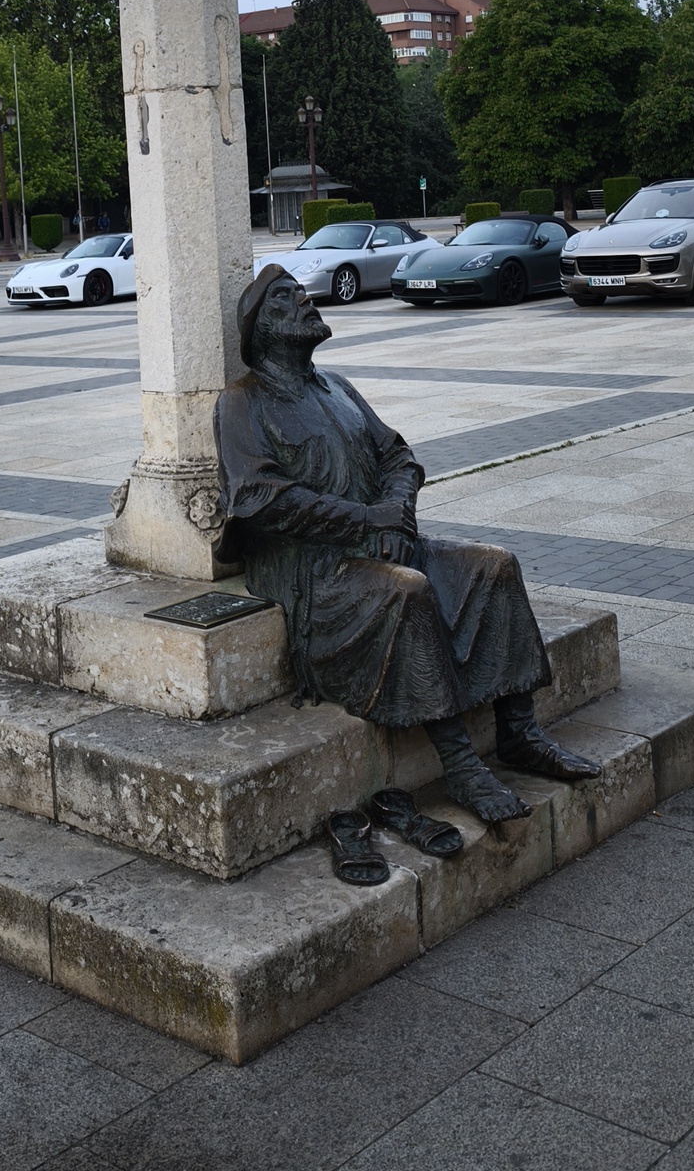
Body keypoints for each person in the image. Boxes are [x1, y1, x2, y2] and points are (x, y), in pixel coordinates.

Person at [216, 264, 601, 821]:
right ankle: (462, 767)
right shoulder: (242, 402)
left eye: (301, 290)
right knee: (407, 591)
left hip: (380, 538)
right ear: (261, 331)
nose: (302, 298)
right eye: (284, 296)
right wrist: (366, 521)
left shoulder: (337, 387)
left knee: (494, 566)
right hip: (313, 570)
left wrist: (394, 519)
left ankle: (520, 733)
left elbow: (397, 455)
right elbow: (260, 497)